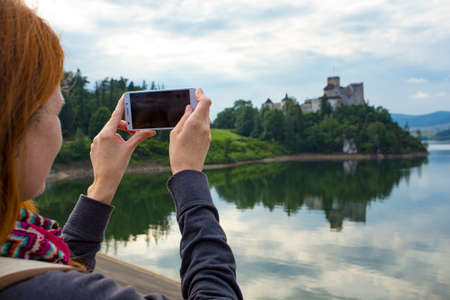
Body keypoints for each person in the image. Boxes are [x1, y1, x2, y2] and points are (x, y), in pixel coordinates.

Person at [0, 1, 243, 299]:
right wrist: (189, 174)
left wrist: (101, 188)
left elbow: (61, 267)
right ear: (14, 126)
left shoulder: (18, 244)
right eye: (56, 113)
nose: (59, 132)